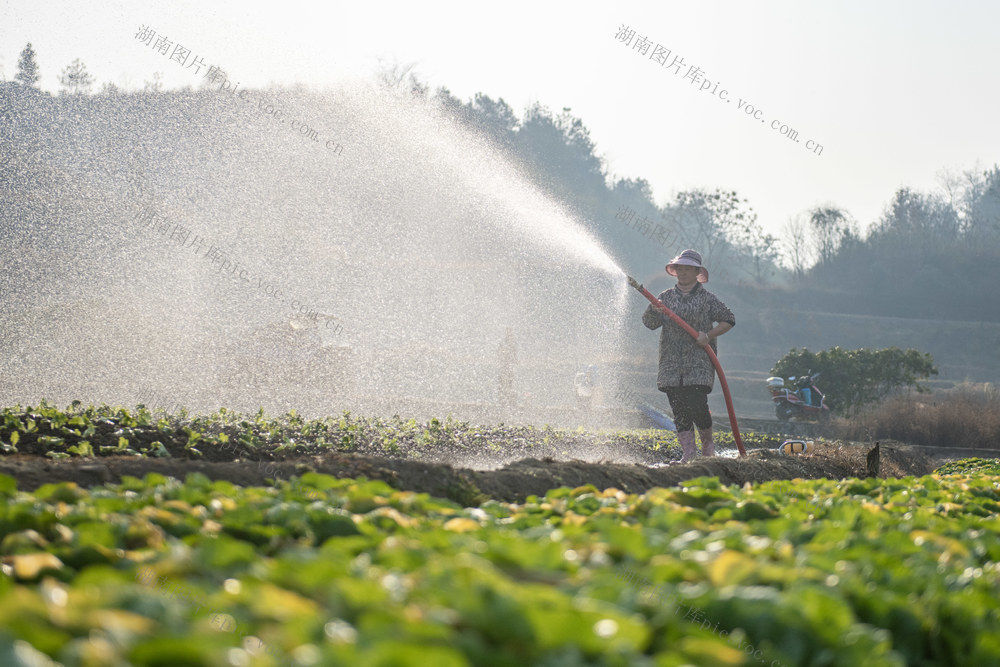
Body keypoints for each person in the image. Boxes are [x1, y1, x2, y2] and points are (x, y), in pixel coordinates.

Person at [641, 249, 735, 463]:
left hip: (698, 362)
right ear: (674, 271)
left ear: (696, 272)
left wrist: (708, 335)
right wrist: (656, 310)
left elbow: (728, 319)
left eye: (687, 269)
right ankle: (688, 454)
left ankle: (708, 452)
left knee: (697, 405)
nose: (683, 272)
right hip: (670, 363)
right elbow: (649, 323)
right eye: (679, 268)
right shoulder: (664, 298)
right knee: (679, 409)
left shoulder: (708, 299)